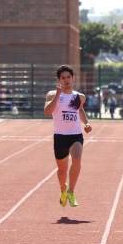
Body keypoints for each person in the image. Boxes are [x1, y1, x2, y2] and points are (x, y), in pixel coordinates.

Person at [44, 65, 92, 207]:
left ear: (73, 78)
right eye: (63, 78)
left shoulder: (79, 97)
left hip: (75, 135)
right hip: (60, 136)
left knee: (77, 160)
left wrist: (86, 123)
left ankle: (71, 191)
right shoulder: (52, 95)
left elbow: (80, 110)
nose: (66, 80)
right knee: (62, 170)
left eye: (68, 77)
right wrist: (58, 95)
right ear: (59, 80)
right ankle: (63, 190)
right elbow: (47, 111)